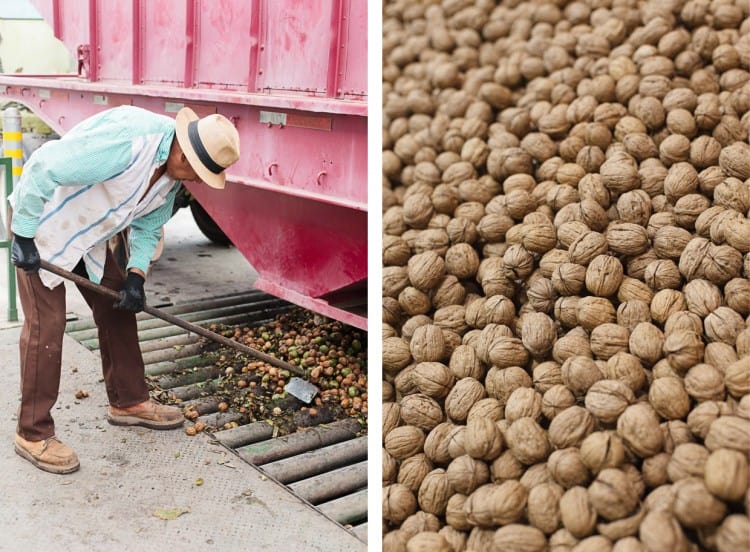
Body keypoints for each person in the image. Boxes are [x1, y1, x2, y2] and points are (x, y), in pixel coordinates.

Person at [7, 105, 240, 474]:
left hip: (89, 235)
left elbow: (148, 227)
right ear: (183, 154)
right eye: (197, 174)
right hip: (45, 226)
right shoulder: (131, 142)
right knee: (47, 325)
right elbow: (44, 165)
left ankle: (128, 401)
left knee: (117, 303)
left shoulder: (172, 176)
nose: (196, 182)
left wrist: (136, 276)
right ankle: (32, 432)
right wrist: (22, 233)